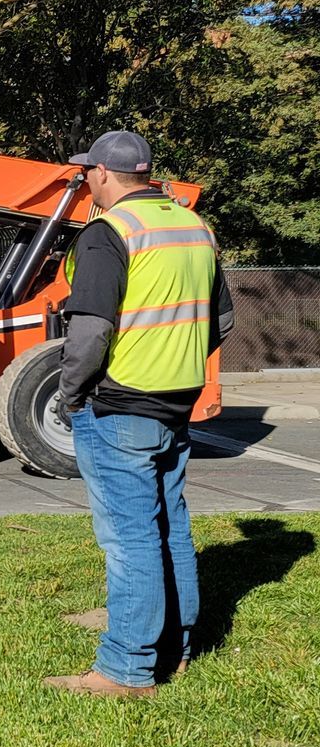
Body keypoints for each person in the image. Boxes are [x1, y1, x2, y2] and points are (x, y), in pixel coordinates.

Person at [46, 130, 234, 699]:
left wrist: (71, 393)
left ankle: (126, 668)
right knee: (169, 525)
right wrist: (173, 366)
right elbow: (220, 321)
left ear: (103, 174)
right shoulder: (193, 227)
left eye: (86, 174)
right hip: (175, 401)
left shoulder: (109, 233)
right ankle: (174, 647)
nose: (84, 182)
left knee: (130, 538)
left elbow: (91, 331)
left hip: (121, 403)